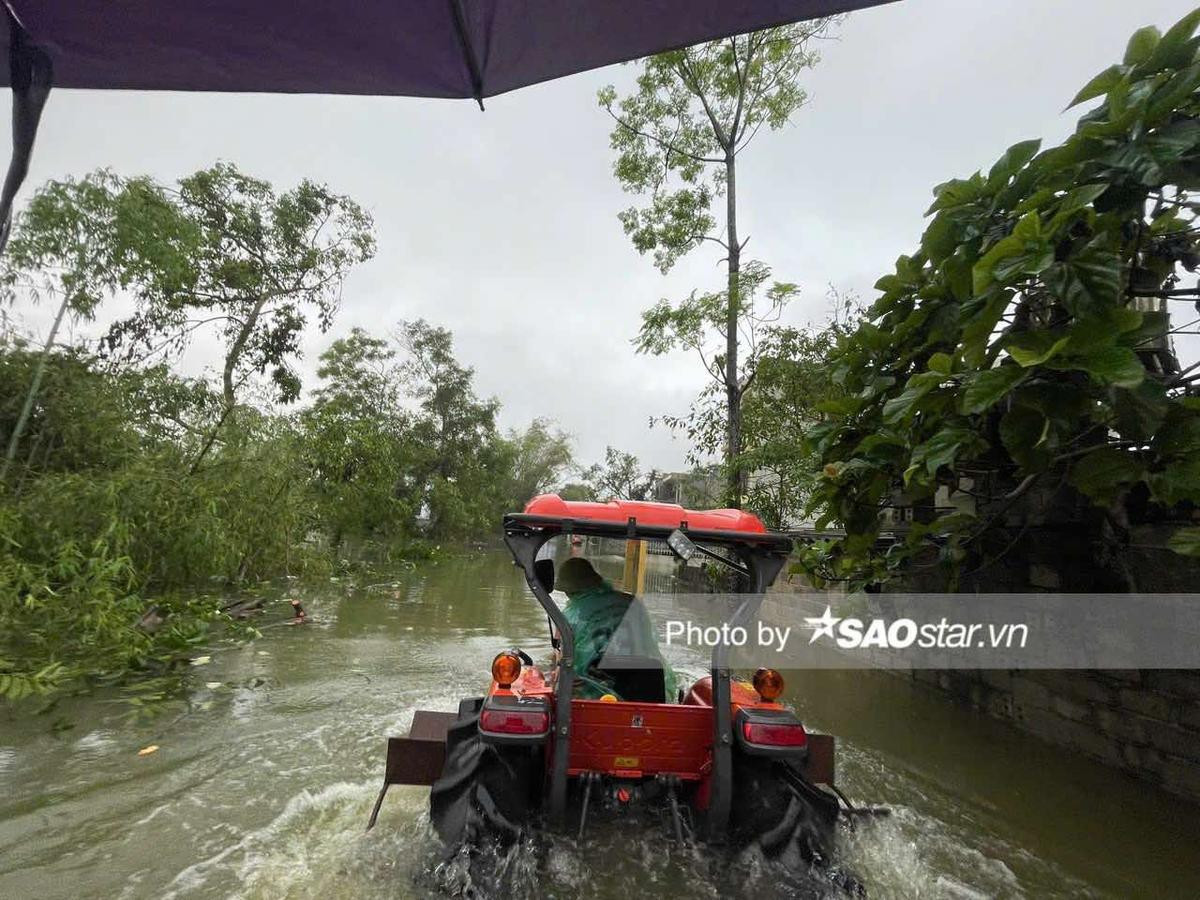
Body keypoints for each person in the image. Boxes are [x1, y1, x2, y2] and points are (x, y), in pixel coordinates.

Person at [555, 557, 675, 700]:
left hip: (597, 692)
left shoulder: (570, 615)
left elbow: (564, 658)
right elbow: (650, 642)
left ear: (570, 591)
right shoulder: (632, 602)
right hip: (650, 684)